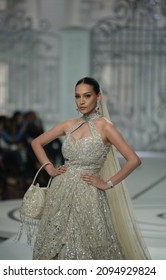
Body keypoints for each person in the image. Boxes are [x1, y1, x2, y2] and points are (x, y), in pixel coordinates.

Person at [31, 77, 151, 260]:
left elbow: (133, 160)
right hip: (60, 192)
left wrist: (107, 183)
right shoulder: (69, 124)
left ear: (98, 97)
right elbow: (37, 143)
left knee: (87, 246)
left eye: (87, 96)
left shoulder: (106, 127)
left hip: (88, 195)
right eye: (77, 96)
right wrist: (50, 170)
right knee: (54, 243)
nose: (81, 101)